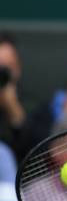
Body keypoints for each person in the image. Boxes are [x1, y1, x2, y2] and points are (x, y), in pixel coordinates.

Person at [0, 32, 27, 160]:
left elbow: (30, 146)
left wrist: (11, 102)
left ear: (18, 68)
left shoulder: (32, 104)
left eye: (7, 67)